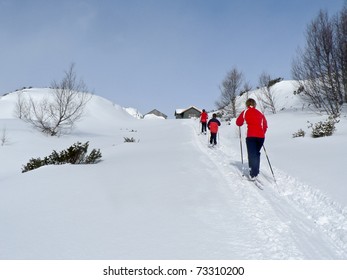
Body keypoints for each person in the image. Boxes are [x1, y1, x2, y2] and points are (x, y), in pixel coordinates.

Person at [236, 98, 268, 180]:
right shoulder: (260, 113)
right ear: (254, 104)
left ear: (247, 104)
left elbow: (238, 122)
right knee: (257, 153)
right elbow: (265, 125)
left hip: (251, 136)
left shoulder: (245, 112)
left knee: (252, 154)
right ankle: (256, 171)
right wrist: (261, 133)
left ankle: (253, 174)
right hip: (261, 137)